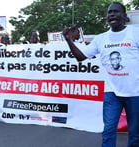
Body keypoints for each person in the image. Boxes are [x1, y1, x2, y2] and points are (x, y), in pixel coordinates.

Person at [64, 2, 139, 147]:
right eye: (109, 12)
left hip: (135, 92)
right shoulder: (101, 38)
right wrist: (68, 41)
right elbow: (81, 57)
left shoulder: (135, 33)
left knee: (135, 134)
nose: (111, 15)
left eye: (115, 12)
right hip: (112, 93)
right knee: (108, 131)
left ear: (124, 15)